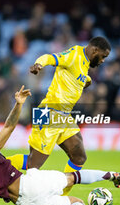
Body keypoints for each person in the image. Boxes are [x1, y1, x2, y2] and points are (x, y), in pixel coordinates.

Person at [10, 37, 111, 196]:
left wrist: (87, 80)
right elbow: (50, 58)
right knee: (33, 164)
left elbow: (76, 75)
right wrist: (39, 64)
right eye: (103, 56)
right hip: (48, 112)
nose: (103, 61)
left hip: (63, 116)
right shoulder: (74, 55)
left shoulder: (84, 63)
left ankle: (62, 197)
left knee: (79, 156)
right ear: (95, 50)